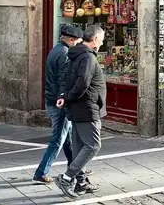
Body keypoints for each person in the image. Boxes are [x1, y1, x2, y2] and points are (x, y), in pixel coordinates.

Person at [55, 25, 107, 198]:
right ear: (94, 40)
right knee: (93, 145)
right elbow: (82, 83)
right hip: (86, 108)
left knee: (78, 147)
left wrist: (65, 96)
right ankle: (67, 178)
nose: (103, 42)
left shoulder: (75, 55)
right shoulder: (87, 58)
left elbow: (68, 79)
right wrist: (68, 96)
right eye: (102, 38)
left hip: (78, 107)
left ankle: (81, 182)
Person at [32, 25, 83, 184]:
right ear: (72, 40)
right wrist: (64, 99)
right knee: (58, 139)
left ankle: (76, 168)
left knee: (67, 138)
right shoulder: (65, 53)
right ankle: (41, 172)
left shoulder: (55, 50)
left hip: (52, 99)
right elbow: (63, 80)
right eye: (79, 42)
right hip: (58, 102)